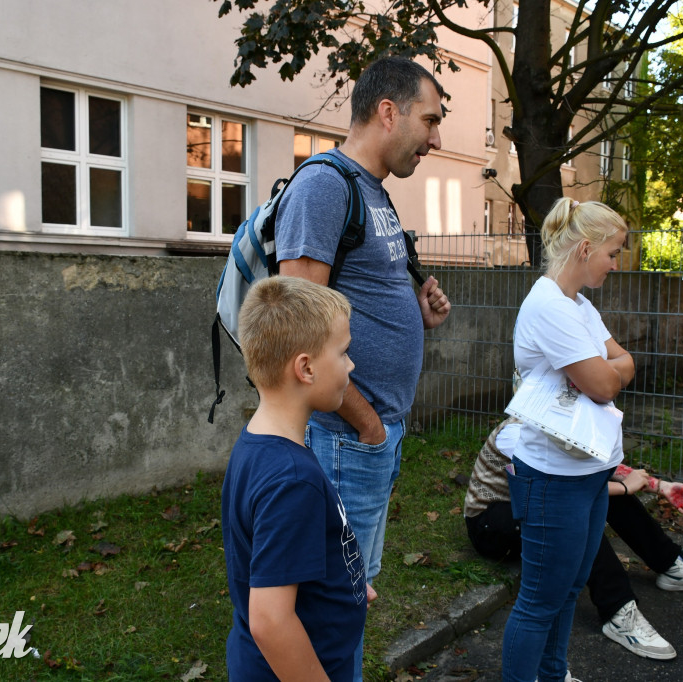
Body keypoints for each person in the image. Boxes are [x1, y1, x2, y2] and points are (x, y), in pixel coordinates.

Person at [275, 56, 452, 679]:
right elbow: (296, 326)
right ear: (387, 111)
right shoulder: (325, 185)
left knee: (354, 596)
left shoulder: (372, 192)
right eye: (429, 121)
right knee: (332, 605)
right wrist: (367, 420)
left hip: (372, 436)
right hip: (348, 436)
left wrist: (414, 312)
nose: (436, 139)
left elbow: (353, 299)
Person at [465, 418, 683, 662]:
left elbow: (602, 469)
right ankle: (618, 610)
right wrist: (625, 487)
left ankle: (669, 564)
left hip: (535, 508)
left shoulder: (562, 423)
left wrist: (659, 485)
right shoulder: (516, 433)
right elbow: (549, 491)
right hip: (492, 523)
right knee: (573, 514)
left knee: (600, 493)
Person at [500, 198, 633, 682]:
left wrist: (606, 371)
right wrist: (604, 372)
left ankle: (553, 675)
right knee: (540, 599)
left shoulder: (578, 306)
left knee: (571, 585)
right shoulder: (549, 307)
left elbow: (624, 364)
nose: (615, 264)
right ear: (584, 248)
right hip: (554, 475)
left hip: (589, 469)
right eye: (612, 253)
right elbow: (602, 383)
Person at [221, 276, 377, 681]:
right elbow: (271, 621)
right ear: (306, 368)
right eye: (343, 353)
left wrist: (346, 586)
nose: (351, 365)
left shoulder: (260, 445)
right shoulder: (291, 479)